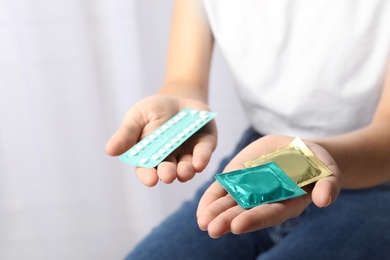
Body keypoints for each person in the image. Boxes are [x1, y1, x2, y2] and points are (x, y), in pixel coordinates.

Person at [105, 0, 390, 259]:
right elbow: (183, 79)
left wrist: (310, 158)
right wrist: (181, 104)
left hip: (372, 177)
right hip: (259, 156)